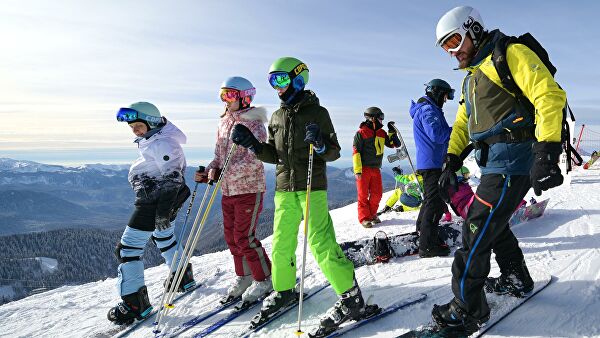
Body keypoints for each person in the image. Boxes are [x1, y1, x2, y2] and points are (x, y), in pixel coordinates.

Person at [432, 6, 566, 333]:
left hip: (514, 160)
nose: (452, 52)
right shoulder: (472, 77)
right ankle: (516, 277)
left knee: (475, 228)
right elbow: (464, 123)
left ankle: (467, 309)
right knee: (491, 222)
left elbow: (548, 95)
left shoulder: (509, 53)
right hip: (493, 163)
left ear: (472, 30)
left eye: (454, 41)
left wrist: (547, 151)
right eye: (445, 47)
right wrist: (451, 158)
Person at [230, 57, 373, 332]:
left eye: (280, 79)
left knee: (320, 242)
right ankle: (284, 290)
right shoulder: (277, 116)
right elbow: (275, 155)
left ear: (298, 79)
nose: (276, 87)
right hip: (284, 189)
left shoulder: (317, 113)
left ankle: (350, 295)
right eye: (272, 81)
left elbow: (334, 152)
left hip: (312, 187)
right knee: (282, 244)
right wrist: (253, 145)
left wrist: (319, 143)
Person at [108, 102, 195, 325]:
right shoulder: (155, 140)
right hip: (158, 200)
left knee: (127, 250)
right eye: (132, 127)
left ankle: (134, 304)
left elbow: (172, 179)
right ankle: (182, 276)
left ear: (152, 122)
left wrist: (162, 213)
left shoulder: (163, 144)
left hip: (154, 202)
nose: (135, 130)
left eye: (138, 125)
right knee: (163, 236)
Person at [194, 77, 272, 306]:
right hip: (228, 190)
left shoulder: (255, 125)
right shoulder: (223, 123)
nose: (225, 100)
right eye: (222, 96)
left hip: (249, 188)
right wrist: (209, 170)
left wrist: (222, 172)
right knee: (231, 237)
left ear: (244, 97)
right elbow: (219, 157)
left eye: (229, 95)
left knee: (244, 237)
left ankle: (265, 278)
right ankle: (245, 276)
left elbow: (253, 161)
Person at [410, 78, 454, 258]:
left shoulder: (428, 109)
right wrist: (457, 131)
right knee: (435, 202)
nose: (445, 100)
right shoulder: (428, 110)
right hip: (432, 163)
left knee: (431, 199)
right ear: (436, 94)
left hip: (431, 162)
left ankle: (423, 231)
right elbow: (437, 135)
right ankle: (427, 246)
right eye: (444, 96)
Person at [352, 107, 400, 227]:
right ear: (372, 118)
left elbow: (393, 144)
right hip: (363, 169)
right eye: (380, 117)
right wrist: (358, 170)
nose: (381, 120)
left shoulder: (381, 133)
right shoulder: (361, 133)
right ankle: (364, 218)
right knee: (363, 195)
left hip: (376, 168)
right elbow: (356, 152)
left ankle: (372, 214)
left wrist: (391, 131)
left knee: (377, 194)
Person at [378, 166, 452, 221]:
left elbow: (399, 178)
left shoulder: (413, 177)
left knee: (399, 191)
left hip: (414, 200)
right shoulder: (431, 180)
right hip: (424, 203)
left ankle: (387, 207)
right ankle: (401, 208)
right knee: (421, 204)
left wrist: (396, 173)